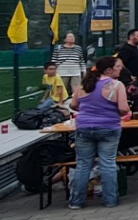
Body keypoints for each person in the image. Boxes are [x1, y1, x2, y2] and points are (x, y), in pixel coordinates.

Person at [68, 55, 128, 210]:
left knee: (83, 164)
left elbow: (73, 105)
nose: (120, 69)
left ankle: (76, 201)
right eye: (118, 67)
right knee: (107, 163)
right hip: (109, 126)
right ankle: (110, 200)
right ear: (108, 70)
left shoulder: (84, 85)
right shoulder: (116, 85)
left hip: (84, 127)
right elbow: (123, 109)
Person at [50, 31, 87, 97]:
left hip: (76, 72)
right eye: (70, 37)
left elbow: (81, 60)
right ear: (65, 39)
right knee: (61, 90)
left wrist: (84, 70)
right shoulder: (58, 48)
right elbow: (54, 60)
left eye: (73, 37)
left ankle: (76, 101)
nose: (72, 38)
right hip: (62, 72)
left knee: (77, 90)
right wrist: (53, 70)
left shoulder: (78, 48)